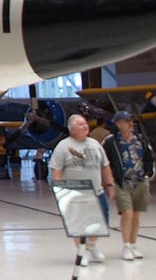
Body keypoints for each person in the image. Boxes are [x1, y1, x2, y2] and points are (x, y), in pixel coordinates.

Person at [49, 113, 114, 263]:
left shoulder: (95, 144)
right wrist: (59, 190)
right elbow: (56, 170)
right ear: (72, 130)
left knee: (101, 221)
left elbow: (105, 165)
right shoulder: (63, 146)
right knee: (78, 223)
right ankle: (81, 251)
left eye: (85, 123)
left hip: (96, 191)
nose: (85, 126)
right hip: (75, 193)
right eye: (80, 124)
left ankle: (91, 245)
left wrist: (109, 184)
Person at [102, 110, 154, 260]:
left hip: (140, 181)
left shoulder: (140, 139)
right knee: (127, 213)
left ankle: (133, 244)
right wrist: (109, 181)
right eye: (126, 121)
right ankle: (126, 245)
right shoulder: (111, 142)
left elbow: (148, 157)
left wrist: (148, 174)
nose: (131, 124)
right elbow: (104, 161)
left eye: (131, 120)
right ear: (118, 124)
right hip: (122, 182)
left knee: (136, 214)